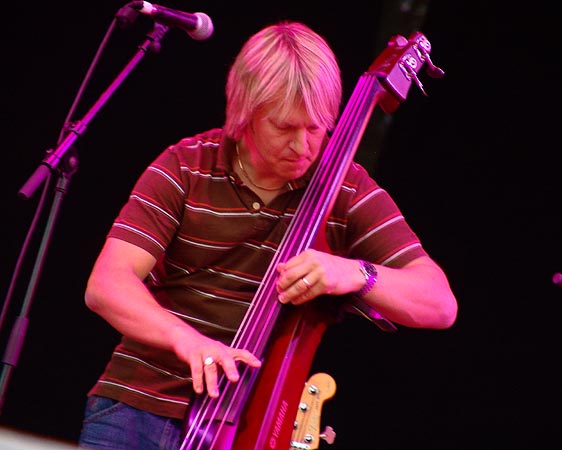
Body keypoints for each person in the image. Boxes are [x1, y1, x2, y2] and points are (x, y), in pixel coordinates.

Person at [78, 20, 458, 450]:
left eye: (316, 128)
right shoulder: (186, 164)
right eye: (284, 126)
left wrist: (356, 273)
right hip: (136, 409)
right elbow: (107, 284)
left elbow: (440, 303)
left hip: (251, 428)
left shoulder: (347, 189)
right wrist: (186, 339)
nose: (303, 146)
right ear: (245, 115)